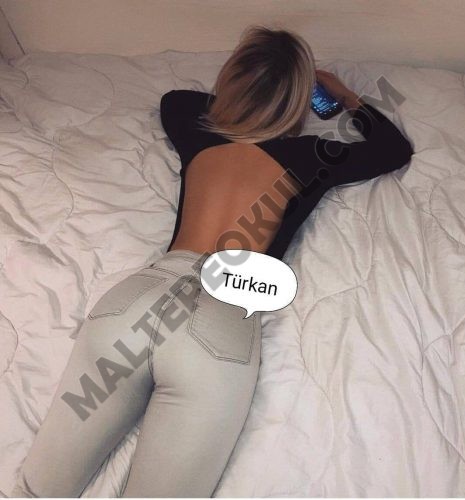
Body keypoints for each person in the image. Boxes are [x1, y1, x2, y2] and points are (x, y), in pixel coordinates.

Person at [11, 25, 413, 498]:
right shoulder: (310, 156)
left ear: (230, 82)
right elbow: (391, 149)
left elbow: (176, 99)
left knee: (36, 490)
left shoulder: (196, 130)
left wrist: (243, 96)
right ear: (298, 103)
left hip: (139, 299)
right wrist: (340, 95)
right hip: (222, 311)